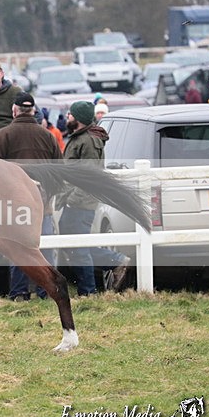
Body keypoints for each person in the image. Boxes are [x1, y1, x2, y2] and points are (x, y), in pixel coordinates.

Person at [0, 92, 62, 301]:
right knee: (44, 248)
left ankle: (19, 293)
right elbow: (60, 170)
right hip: (42, 203)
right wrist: (49, 196)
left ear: (14, 110)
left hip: (15, 205)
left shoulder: (4, 135)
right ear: (34, 111)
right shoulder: (47, 135)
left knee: (17, 248)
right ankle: (47, 291)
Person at [58, 101, 131, 296]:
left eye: (71, 115)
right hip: (75, 201)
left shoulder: (88, 141)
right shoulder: (79, 137)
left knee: (78, 247)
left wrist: (73, 199)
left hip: (80, 202)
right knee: (72, 244)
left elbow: (90, 176)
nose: (67, 118)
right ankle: (113, 261)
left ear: (79, 118)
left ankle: (88, 291)